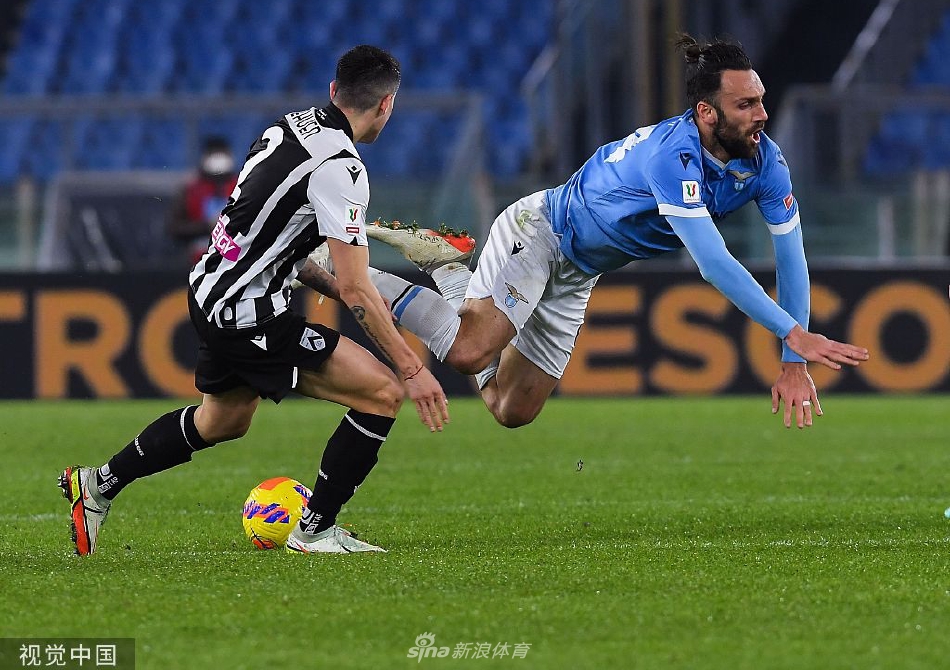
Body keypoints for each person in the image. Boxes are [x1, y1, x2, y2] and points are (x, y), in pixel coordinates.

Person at [298, 34, 870, 431]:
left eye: (762, 100)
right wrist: (792, 333)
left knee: (509, 410)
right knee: (470, 353)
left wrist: (794, 359)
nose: (762, 114)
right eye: (746, 104)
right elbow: (714, 262)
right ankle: (341, 270)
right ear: (705, 113)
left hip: (579, 271)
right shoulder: (674, 158)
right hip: (540, 230)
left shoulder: (766, 162)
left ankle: (450, 268)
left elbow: (792, 260)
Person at [59, 45, 449, 557]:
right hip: (250, 312)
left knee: (222, 420)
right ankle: (314, 532)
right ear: (386, 106)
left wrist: (330, 287)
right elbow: (355, 287)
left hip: (210, 289)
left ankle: (98, 483)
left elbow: (272, 242)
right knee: (382, 393)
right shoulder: (342, 169)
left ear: (333, 92)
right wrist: (410, 367)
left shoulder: (287, 127)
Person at [168, 136, 239, 265]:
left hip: (236, 257)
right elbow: (174, 228)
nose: (218, 160)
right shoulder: (190, 190)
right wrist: (206, 226)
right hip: (199, 259)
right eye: (214, 154)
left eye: (222, 154)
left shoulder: (242, 186)